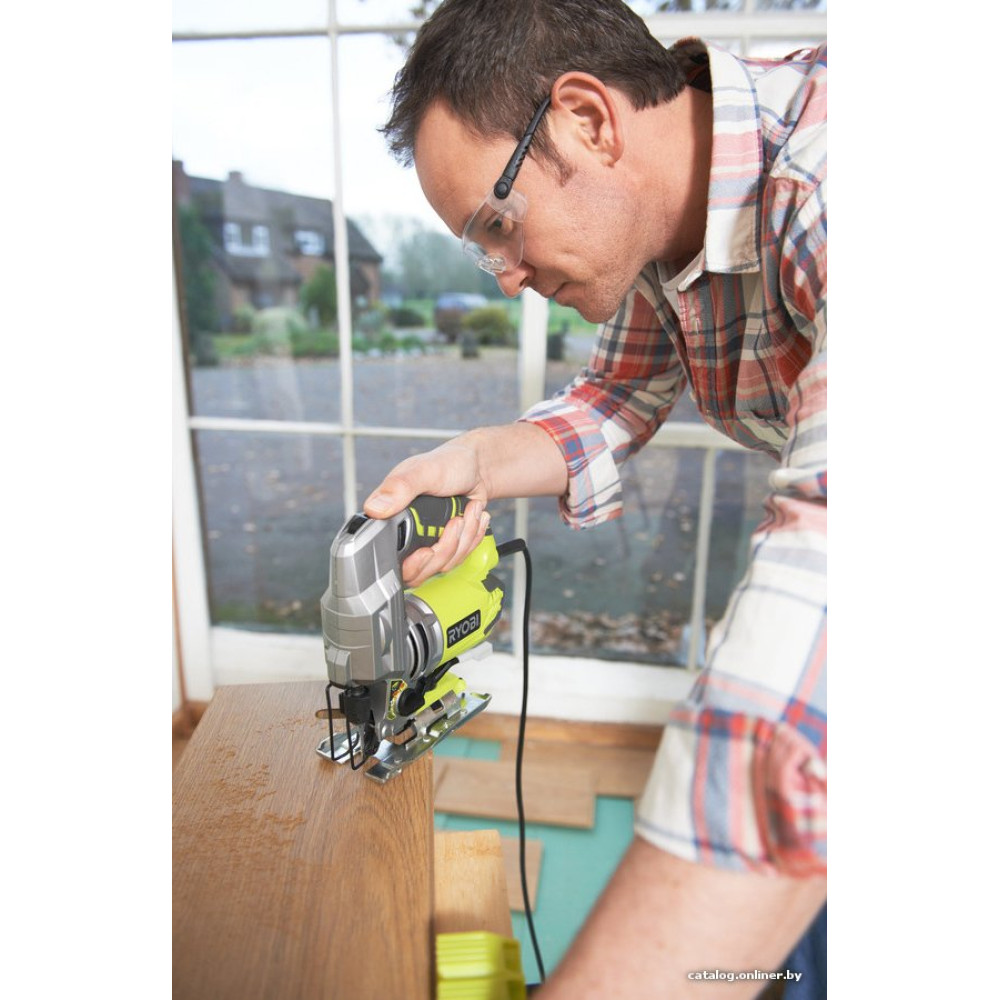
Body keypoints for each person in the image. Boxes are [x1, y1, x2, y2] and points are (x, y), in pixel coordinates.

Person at [365, 1, 827, 996]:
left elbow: (832, 579)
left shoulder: (828, 184)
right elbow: (616, 396)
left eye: (498, 225)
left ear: (586, 120)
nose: (506, 276)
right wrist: (474, 462)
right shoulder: (666, 215)